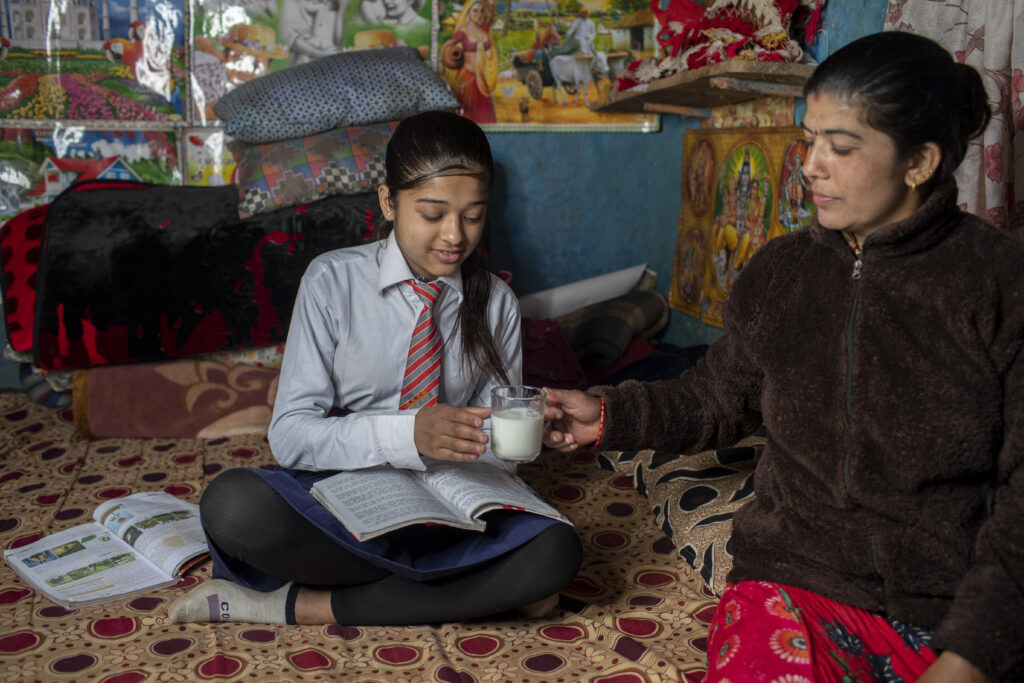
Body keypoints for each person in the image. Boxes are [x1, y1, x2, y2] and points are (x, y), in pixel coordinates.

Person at [543, 31, 1023, 683]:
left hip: (951, 600)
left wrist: (970, 653)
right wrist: (603, 416)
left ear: (920, 162)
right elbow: (712, 400)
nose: (811, 166)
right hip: (795, 576)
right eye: (809, 139)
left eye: (840, 146)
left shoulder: (999, 283)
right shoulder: (782, 274)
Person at [168, 111, 581, 626]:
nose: (455, 236)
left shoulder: (495, 301)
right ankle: (478, 587)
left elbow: (499, 448)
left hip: (448, 502)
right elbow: (292, 437)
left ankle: (293, 604)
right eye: (432, 214)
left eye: (473, 215)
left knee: (556, 552)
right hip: (346, 494)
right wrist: (409, 434)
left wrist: (528, 427)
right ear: (389, 202)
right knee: (233, 506)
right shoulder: (332, 282)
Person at [441, 0, 498, 124]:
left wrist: (491, 4)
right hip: (467, 79)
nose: (479, 14)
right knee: (466, 120)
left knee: (486, 119)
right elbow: (448, 48)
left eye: (482, 10)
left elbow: (491, 11)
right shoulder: (462, 32)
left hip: (481, 81)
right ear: (468, 13)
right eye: (475, 10)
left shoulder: (484, 29)